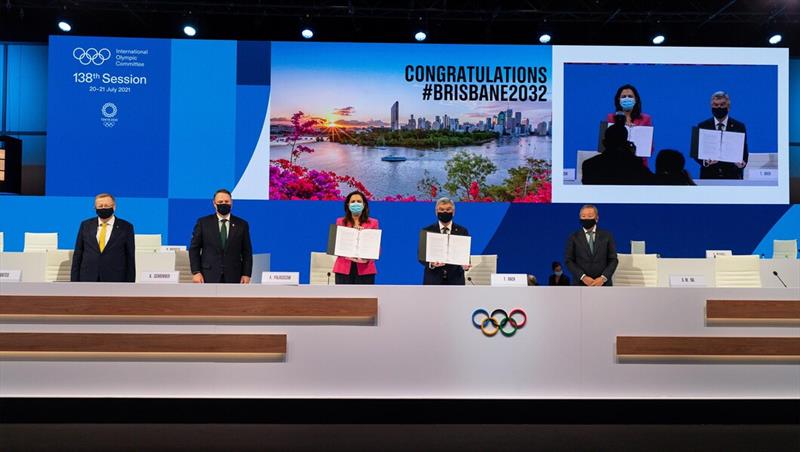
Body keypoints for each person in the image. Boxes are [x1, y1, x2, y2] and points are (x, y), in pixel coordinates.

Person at [189, 188, 253, 284]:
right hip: (207, 275)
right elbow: (194, 249)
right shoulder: (203, 223)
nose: (224, 203)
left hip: (235, 276)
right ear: (214, 204)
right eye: (220, 201)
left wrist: (246, 274)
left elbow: (247, 252)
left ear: (232, 203)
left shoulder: (242, 224)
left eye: (226, 201)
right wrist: (196, 272)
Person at [70, 193, 135, 282]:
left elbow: (130, 257)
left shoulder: (126, 227)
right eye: (100, 206)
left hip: (115, 279)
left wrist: (130, 284)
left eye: (107, 205)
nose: (103, 208)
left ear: (114, 207)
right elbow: (78, 254)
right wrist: (74, 282)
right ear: (95, 208)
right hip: (88, 278)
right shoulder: (85, 225)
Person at [691, 91, 748, 179]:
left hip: (732, 176)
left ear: (728, 107)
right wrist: (705, 162)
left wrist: (742, 164)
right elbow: (695, 153)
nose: (719, 107)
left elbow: (744, 151)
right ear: (711, 107)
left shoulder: (739, 126)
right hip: (709, 176)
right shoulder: (702, 126)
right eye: (715, 105)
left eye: (722, 105)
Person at [419, 197, 470, 285]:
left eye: (448, 209)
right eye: (441, 209)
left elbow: (465, 255)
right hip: (433, 280)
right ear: (436, 212)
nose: (444, 212)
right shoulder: (427, 230)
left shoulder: (462, 231)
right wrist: (432, 263)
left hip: (455, 281)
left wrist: (465, 265)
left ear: (453, 212)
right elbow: (421, 256)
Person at [582, 123, 654, 185]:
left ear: (604, 143)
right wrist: (632, 156)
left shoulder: (589, 165)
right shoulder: (635, 164)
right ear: (626, 144)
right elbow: (649, 181)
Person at [332, 191, 379, 284]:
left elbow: (376, 247)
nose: (356, 204)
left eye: (359, 201)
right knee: (343, 298)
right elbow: (336, 245)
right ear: (348, 205)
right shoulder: (340, 221)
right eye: (353, 201)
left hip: (365, 269)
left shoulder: (373, 223)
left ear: (364, 205)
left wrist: (368, 258)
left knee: (365, 298)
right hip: (343, 268)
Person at [564, 205, 618, 287]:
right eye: (583, 216)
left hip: (603, 284)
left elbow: (613, 260)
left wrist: (603, 278)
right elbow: (569, 260)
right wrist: (583, 277)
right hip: (580, 284)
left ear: (597, 218)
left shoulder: (607, 236)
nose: (586, 219)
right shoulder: (573, 237)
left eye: (589, 216)